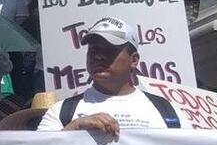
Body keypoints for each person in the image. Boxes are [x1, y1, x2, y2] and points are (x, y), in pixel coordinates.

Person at [37, 17, 186, 133]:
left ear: (133, 60)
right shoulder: (61, 112)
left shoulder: (169, 113)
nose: (98, 57)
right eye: (94, 50)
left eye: (109, 50)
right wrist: (75, 128)